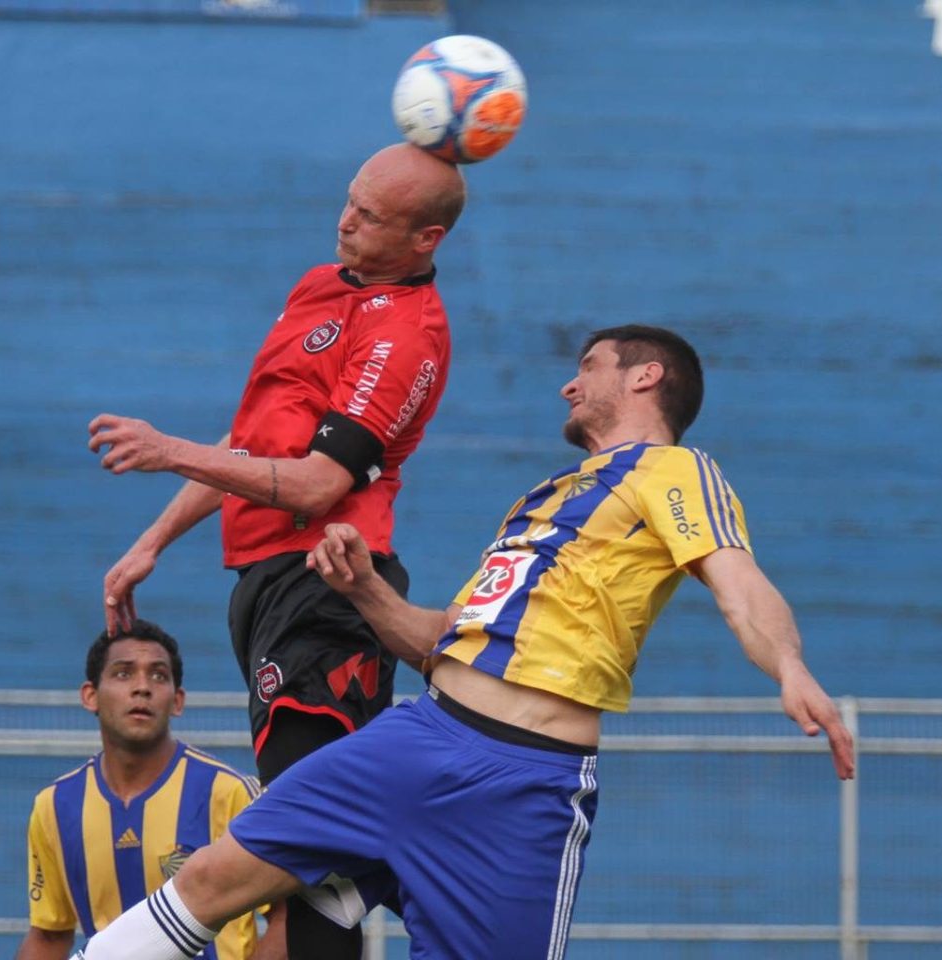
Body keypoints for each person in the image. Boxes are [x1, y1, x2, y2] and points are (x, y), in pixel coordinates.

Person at [71, 324, 857, 960]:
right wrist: (364, 590)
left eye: (588, 367)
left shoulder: (673, 469)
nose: (569, 384)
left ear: (646, 377)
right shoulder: (542, 500)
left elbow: (737, 580)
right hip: (420, 736)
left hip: (522, 784)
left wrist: (789, 665)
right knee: (215, 878)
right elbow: (443, 640)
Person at [87, 143, 465, 957]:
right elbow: (253, 447)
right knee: (313, 848)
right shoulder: (321, 285)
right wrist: (153, 540)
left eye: (370, 216)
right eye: (350, 200)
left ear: (425, 239)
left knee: (308, 844)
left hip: (327, 587)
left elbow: (317, 485)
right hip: (264, 586)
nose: (346, 220)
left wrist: (167, 449)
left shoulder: (407, 335)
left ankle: (428, 862)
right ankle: (404, 851)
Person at [16, 620, 284, 960]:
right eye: (123, 673)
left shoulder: (230, 792)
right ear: (90, 696)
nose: (142, 687)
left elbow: (287, 917)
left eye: (158, 675)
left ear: (177, 701)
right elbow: (49, 936)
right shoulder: (55, 806)